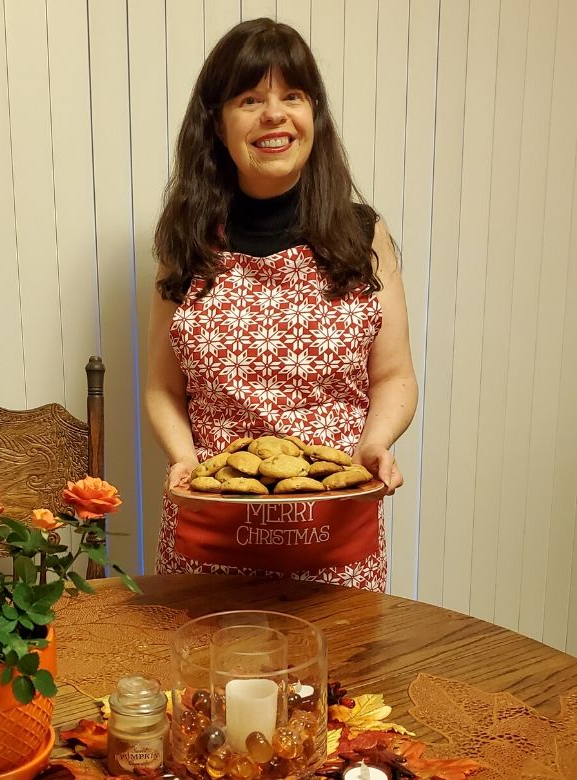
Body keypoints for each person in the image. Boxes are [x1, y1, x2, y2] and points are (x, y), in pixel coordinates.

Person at [145, 18, 417, 591]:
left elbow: (393, 376)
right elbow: (162, 388)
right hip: (210, 535)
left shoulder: (363, 235)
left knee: (334, 680)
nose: (274, 114)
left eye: (291, 95)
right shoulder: (186, 242)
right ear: (218, 124)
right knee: (209, 679)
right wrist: (185, 460)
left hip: (334, 532)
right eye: (250, 99)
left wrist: (374, 444)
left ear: (312, 113)